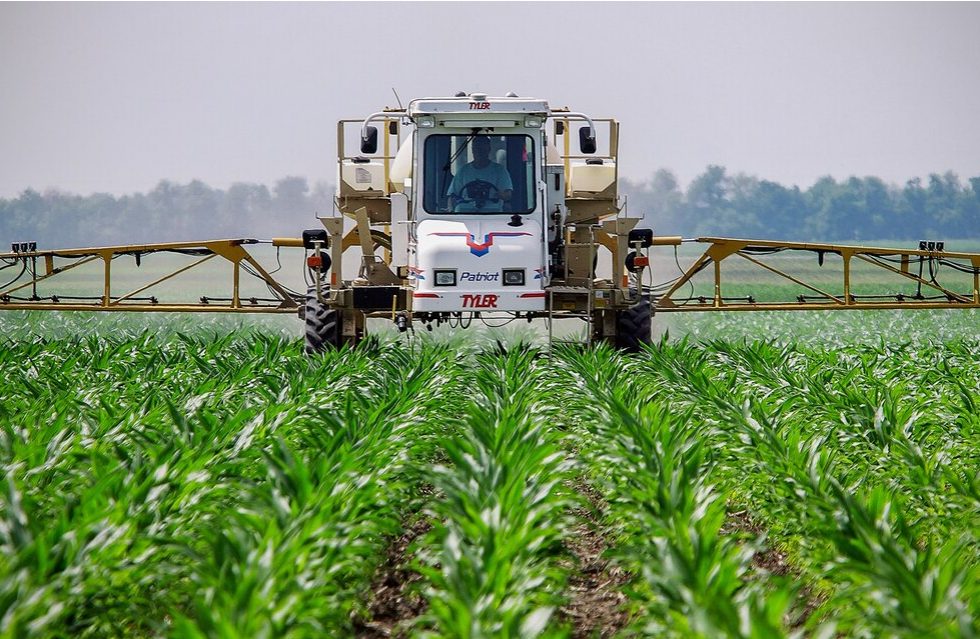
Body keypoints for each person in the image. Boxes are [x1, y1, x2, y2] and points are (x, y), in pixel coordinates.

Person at [446, 136, 513, 212]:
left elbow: (508, 194)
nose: (479, 152)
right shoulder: (463, 171)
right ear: (472, 150)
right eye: (476, 148)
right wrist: (450, 210)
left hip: (492, 211)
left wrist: (501, 195)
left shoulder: (500, 170)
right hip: (465, 212)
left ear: (488, 149)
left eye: (482, 149)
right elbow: (452, 195)